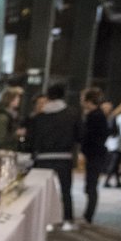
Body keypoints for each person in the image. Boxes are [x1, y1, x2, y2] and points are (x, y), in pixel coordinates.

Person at [25, 83, 81, 229]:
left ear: (48, 96)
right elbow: (80, 135)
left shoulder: (40, 116)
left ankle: (44, 220)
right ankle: (67, 220)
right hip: (64, 156)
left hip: (43, 157)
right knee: (66, 190)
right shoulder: (72, 113)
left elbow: (32, 138)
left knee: (42, 191)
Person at [79, 88, 111, 225]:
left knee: (91, 185)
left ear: (88, 101)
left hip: (95, 154)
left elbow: (89, 137)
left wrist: (84, 150)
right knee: (91, 184)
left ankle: (88, 215)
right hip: (96, 154)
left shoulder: (94, 116)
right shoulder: (98, 115)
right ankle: (88, 214)